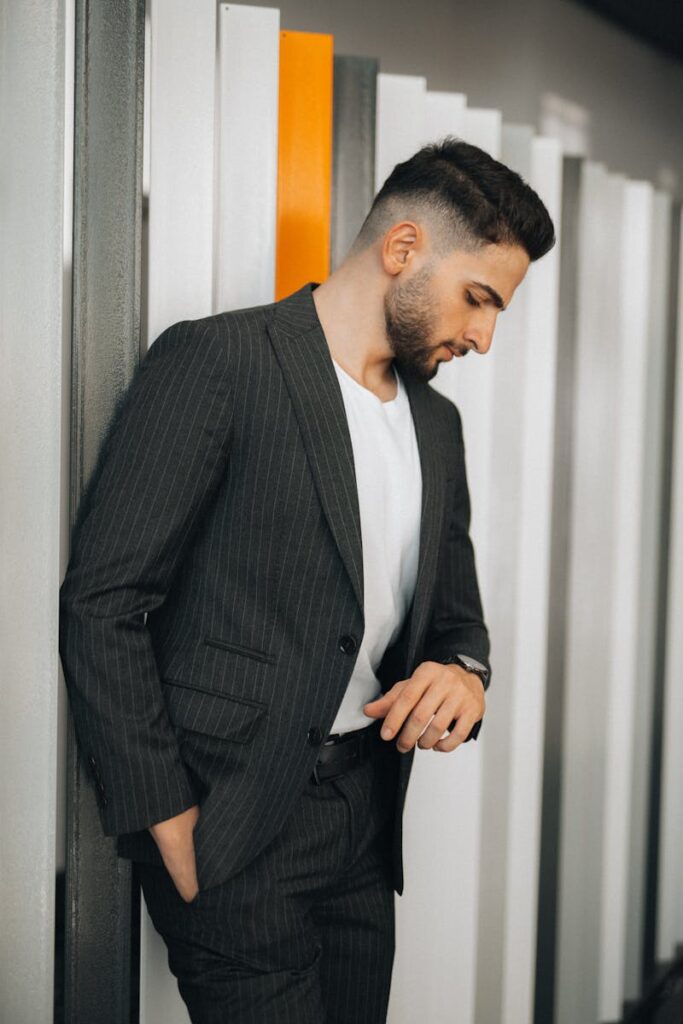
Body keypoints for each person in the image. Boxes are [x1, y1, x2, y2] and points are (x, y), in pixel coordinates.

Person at [58, 135, 555, 1023]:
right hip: (233, 826)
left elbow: (456, 621)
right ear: (402, 249)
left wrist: (464, 676)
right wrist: (161, 811)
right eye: (478, 298)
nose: (483, 335)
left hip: (363, 826)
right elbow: (104, 601)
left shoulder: (437, 426)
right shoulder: (218, 362)